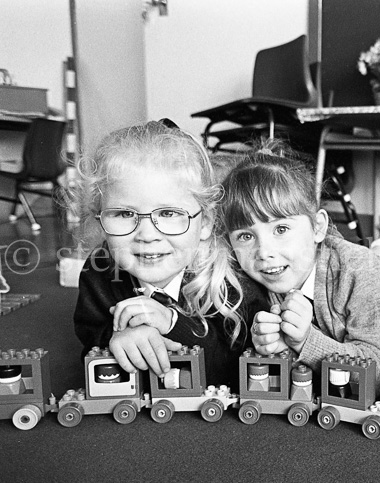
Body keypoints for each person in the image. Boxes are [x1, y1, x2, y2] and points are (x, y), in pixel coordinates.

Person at [222, 141, 380, 395]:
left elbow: (377, 375)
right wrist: (277, 346)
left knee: (379, 263)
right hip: (345, 262)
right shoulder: (268, 274)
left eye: (281, 229)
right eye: (246, 236)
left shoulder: (358, 271)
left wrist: (305, 341)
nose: (264, 252)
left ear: (318, 227)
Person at [72, 121, 253, 386]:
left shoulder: (230, 277)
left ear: (205, 223)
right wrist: (114, 340)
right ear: (100, 219)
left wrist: (172, 323)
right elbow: (90, 341)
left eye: (168, 213)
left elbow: (234, 367)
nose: (147, 235)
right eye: (124, 214)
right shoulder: (98, 270)